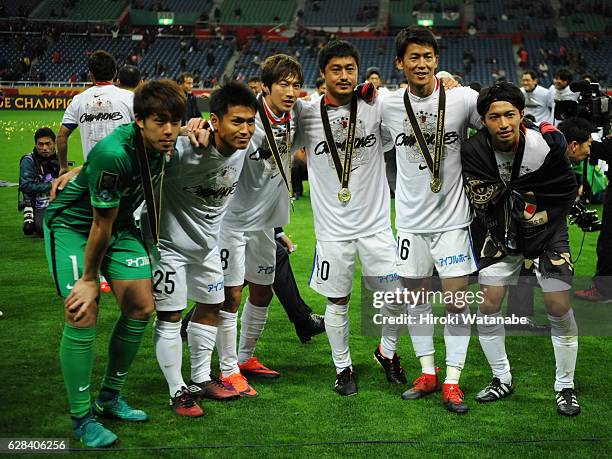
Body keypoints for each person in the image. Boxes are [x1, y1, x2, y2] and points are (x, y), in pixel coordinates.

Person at [44, 80, 187, 447]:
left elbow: (111, 217)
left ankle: (109, 398)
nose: (169, 130)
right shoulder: (114, 153)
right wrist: (90, 278)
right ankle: (81, 417)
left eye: (176, 121)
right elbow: (98, 223)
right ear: (139, 120)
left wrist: (196, 127)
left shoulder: (161, 138)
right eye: (160, 121)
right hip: (75, 225)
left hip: (118, 225)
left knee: (141, 306)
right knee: (82, 309)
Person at [462, 81, 580, 416]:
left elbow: (565, 190)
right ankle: (501, 377)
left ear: (521, 115)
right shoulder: (474, 151)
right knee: (489, 304)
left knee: (558, 306)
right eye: (494, 116)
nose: (503, 123)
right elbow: (480, 199)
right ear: (483, 120)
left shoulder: (544, 146)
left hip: (547, 233)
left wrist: (538, 215)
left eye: (509, 115)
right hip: (500, 233)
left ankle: (565, 385)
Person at [379, 26, 481, 413]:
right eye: (413, 58)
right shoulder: (386, 104)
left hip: (453, 220)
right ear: (400, 64)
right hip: (409, 222)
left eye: (428, 57)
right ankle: (427, 372)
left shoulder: (462, 99)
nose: (421, 64)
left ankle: (452, 381)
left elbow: (497, 120)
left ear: (437, 61)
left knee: (455, 302)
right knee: (415, 300)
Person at [293, 41, 401, 396]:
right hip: (333, 231)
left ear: (358, 71)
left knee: (393, 297)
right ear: (322, 74)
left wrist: (447, 83)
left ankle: (387, 353)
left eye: (350, 69)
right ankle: (343, 368)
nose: (344, 75)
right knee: (337, 301)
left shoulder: (376, 105)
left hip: (376, 226)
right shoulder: (306, 113)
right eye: (336, 69)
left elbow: (417, 100)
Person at [149, 81, 258, 417]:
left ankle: (199, 378)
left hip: (207, 246)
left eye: (250, 122)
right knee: (170, 315)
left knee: (212, 306)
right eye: (236, 122)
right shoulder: (184, 147)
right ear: (215, 120)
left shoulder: (246, 148)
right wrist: (185, 128)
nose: (245, 130)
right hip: (168, 246)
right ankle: (177, 390)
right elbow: (139, 139)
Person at [216, 54, 304, 392]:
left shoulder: (295, 116)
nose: (291, 91)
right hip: (232, 221)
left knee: (263, 290)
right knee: (231, 295)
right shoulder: (245, 118)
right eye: (283, 84)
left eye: (296, 84)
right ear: (264, 87)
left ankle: (245, 357)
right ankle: (227, 371)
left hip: (264, 223)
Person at [56, 50, 134, 175]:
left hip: (93, 172)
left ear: (90, 75)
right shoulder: (130, 97)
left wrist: (64, 166)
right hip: (125, 170)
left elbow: (61, 136)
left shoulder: (78, 100)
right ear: (115, 73)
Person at [18, 127, 60, 236]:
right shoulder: (28, 161)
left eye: (48, 143)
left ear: (54, 143)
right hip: (37, 202)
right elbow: (26, 186)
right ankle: (29, 212)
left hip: (57, 199)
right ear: (36, 144)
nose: (44, 148)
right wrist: (52, 185)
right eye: (40, 144)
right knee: (43, 229)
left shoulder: (59, 157)